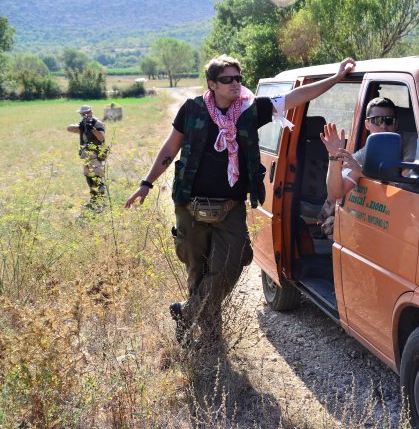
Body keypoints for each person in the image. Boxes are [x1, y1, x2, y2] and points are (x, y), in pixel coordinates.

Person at [124, 54, 355, 350]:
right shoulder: (192, 110)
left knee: (231, 265)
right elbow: (171, 147)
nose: (235, 84)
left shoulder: (250, 109)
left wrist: (335, 78)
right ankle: (209, 343)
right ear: (212, 84)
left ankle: (187, 313)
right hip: (190, 205)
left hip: (230, 207)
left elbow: (297, 97)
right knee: (198, 272)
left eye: (238, 78)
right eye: (227, 79)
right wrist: (146, 183)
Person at [317, 97, 417, 236]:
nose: (383, 126)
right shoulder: (365, 153)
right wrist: (334, 156)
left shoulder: (410, 142)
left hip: (407, 220)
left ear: (396, 124)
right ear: (367, 124)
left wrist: (364, 173)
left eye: (389, 120)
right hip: (379, 224)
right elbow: (336, 192)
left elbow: (406, 188)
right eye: (376, 120)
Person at [66, 105, 107, 209]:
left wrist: (92, 129)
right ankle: (94, 200)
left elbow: (101, 138)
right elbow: (69, 128)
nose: (84, 115)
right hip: (86, 155)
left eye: (86, 113)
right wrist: (81, 126)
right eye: (82, 114)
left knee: (97, 176)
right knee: (88, 175)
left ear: (91, 112)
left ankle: (100, 202)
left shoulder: (97, 123)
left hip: (96, 154)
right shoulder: (83, 124)